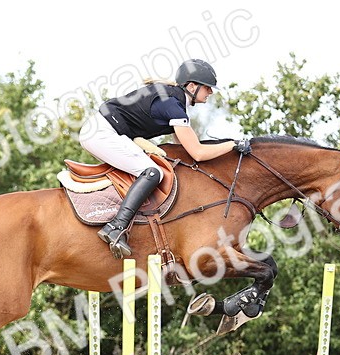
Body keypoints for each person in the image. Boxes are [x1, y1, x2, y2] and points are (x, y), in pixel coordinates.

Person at [78, 58, 249, 259]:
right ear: (192, 86)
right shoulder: (172, 104)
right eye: (207, 88)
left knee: (153, 167)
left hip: (105, 130)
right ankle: (116, 226)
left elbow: (184, 150)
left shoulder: (175, 102)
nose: (210, 92)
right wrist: (233, 145)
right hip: (102, 133)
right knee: (153, 172)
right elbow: (198, 153)